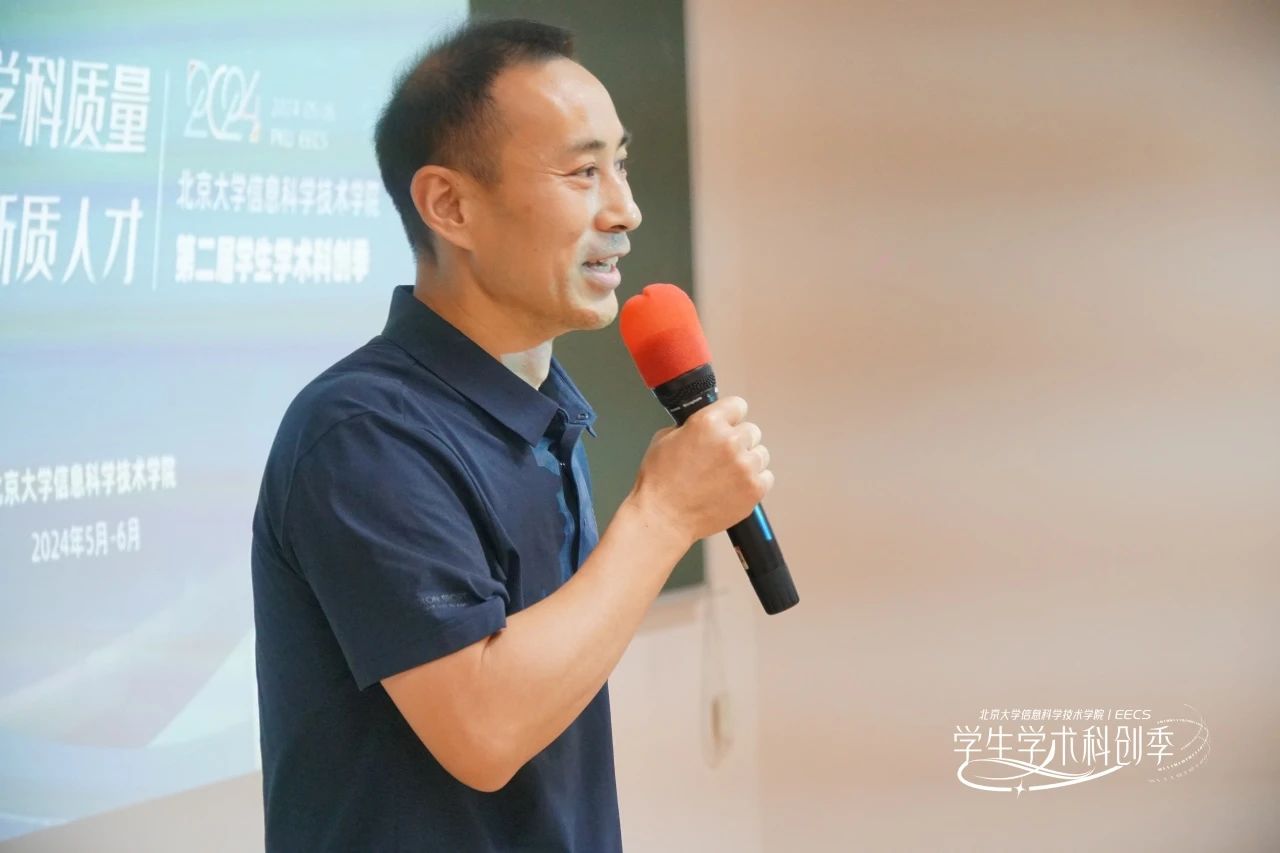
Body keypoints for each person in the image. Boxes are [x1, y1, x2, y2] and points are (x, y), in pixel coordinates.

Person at [250, 17, 772, 852]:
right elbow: (485, 730)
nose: (627, 209)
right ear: (449, 204)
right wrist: (666, 513)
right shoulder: (362, 432)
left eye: (622, 164)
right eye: (583, 172)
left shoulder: (543, 409)